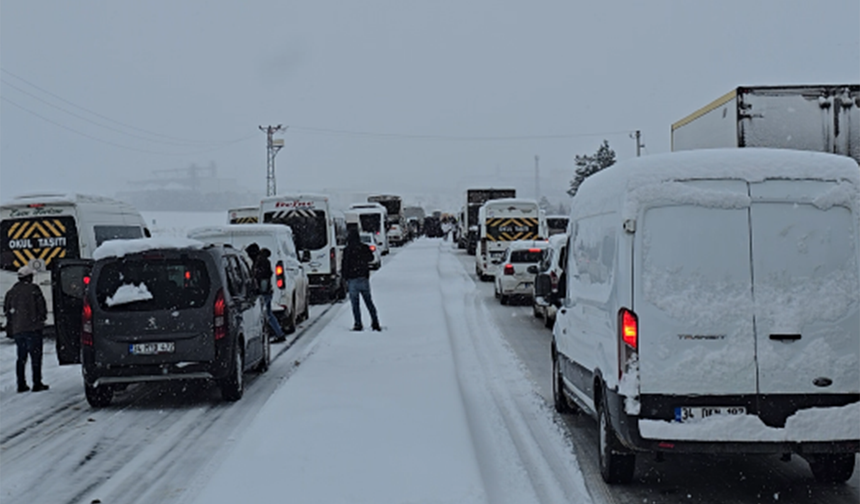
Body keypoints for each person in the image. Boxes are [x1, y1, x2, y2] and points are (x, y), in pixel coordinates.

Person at [3, 265, 49, 392]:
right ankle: (37, 382)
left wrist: (14, 325)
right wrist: (40, 319)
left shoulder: (11, 292)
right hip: (33, 329)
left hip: (18, 330)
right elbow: (42, 308)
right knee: (35, 357)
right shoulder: (34, 289)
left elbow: (6, 310)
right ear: (29, 277)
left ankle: (21, 384)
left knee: (21, 358)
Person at [341, 228, 381, 331]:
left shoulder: (347, 250)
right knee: (369, 302)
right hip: (363, 278)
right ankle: (375, 322)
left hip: (352, 279)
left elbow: (344, 265)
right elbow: (371, 258)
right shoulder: (364, 248)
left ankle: (358, 323)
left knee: (355, 304)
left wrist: (345, 277)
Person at [253, 247, 285, 342]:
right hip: (267, 291)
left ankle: (271, 334)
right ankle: (278, 332)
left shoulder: (260, 262)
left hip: (264, 292)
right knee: (268, 313)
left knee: (264, 314)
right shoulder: (267, 262)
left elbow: (259, 276)